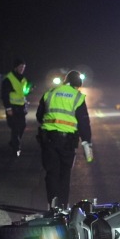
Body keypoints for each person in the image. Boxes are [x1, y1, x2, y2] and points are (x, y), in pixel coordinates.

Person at [36, 69, 92, 209]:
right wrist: (86, 142)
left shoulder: (50, 93)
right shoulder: (77, 97)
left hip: (48, 139)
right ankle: (63, 206)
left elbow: (39, 116)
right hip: (67, 141)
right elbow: (83, 122)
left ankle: (52, 205)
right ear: (77, 84)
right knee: (64, 174)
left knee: (51, 173)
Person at [1, 59, 31, 155]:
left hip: (21, 107)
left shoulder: (23, 79)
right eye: (20, 67)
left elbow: (23, 92)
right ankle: (16, 148)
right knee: (15, 127)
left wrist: (30, 90)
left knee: (22, 125)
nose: (22, 69)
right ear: (15, 67)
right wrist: (8, 108)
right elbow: (4, 94)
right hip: (12, 107)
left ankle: (13, 142)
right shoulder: (8, 79)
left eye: (23, 67)